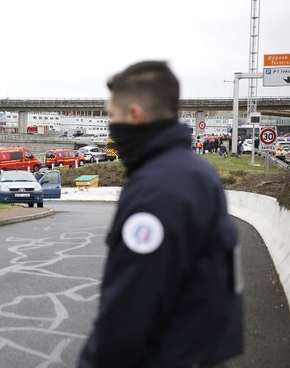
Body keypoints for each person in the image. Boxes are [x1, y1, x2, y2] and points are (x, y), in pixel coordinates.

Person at [78, 61, 243, 368]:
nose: (111, 127)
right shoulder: (198, 173)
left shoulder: (156, 191)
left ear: (134, 116)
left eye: (112, 117)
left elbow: (130, 309)